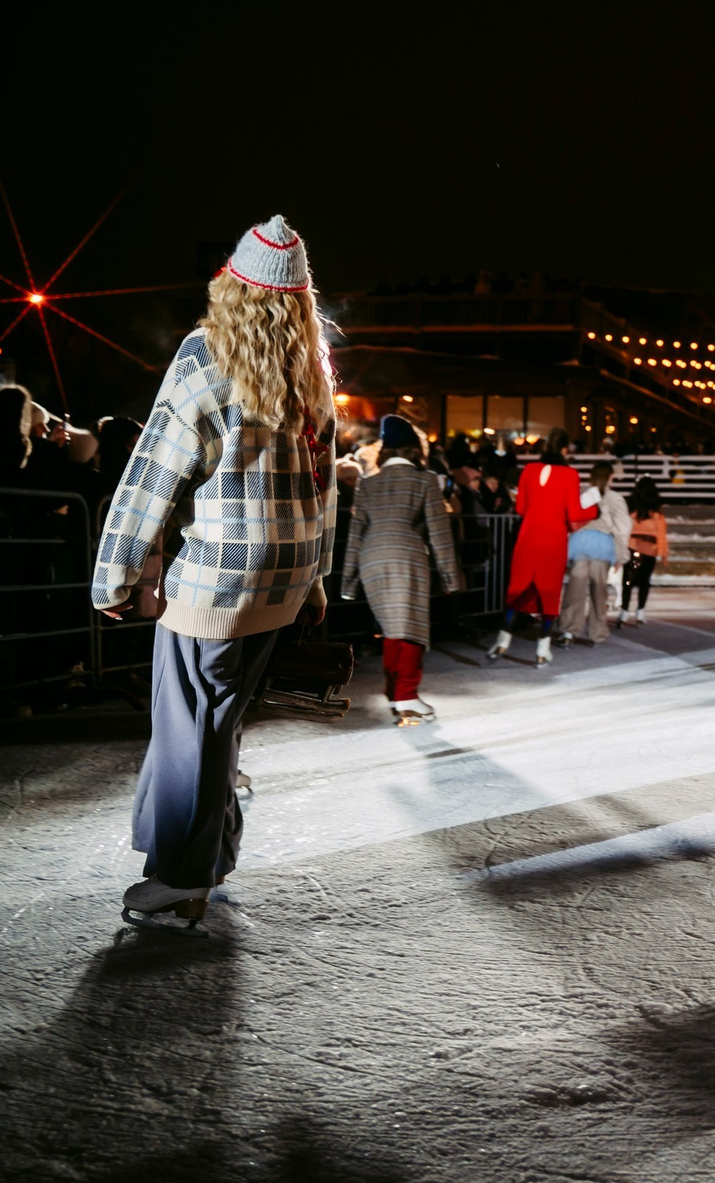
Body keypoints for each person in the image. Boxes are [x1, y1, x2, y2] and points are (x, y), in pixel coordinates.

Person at [92, 215, 336, 934]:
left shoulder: (205, 355)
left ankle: (179, 879)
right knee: (220, 724)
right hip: (285, 579)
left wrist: (113, 576)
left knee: (186, 731)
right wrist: (316, 578)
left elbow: (153, 472)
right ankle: (209, 857)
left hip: (218, 580)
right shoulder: (313, 369)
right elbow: (324, 484)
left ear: (232, 286)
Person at [341, 415, 464, 723]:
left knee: (391, 627)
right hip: (407, 558)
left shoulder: (369, 483)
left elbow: (356, 534)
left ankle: (394, 691)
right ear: (414, 448)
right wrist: (450, 577)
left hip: (371, 559)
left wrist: (348, 582)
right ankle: (407, 695)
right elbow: (439, 533)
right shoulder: (425, 480)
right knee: (411, 627)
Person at [489, 428, 589, 667]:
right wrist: (594, 510)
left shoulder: (529, 470)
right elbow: (575, 514)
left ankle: (503, 639)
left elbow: (521, 507)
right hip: (553, 540)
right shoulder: (570, 474)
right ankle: (542, 649)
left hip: (528, 536)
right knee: (549, 593)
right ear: (564, 449)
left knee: (517, 589)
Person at [559, 460, 629, 647]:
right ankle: (596, 633)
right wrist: (621, 555)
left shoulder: (584, 495)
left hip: (580, 543)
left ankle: (568, 630)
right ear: (610, 477)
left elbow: (571, 519)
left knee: (575, 589)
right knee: (599, 592)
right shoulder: (615, 499)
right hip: (602, 546)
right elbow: (622, 529)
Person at [622, 474, 668, 626]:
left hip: (633, 548)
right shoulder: (656, 513)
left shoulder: (632, 510)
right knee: (644, 581)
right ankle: (640, 610)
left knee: (628, 580)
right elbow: (661, 533)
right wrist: (663, 553)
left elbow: (625, 529)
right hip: (649, 550)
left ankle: (624, 611)